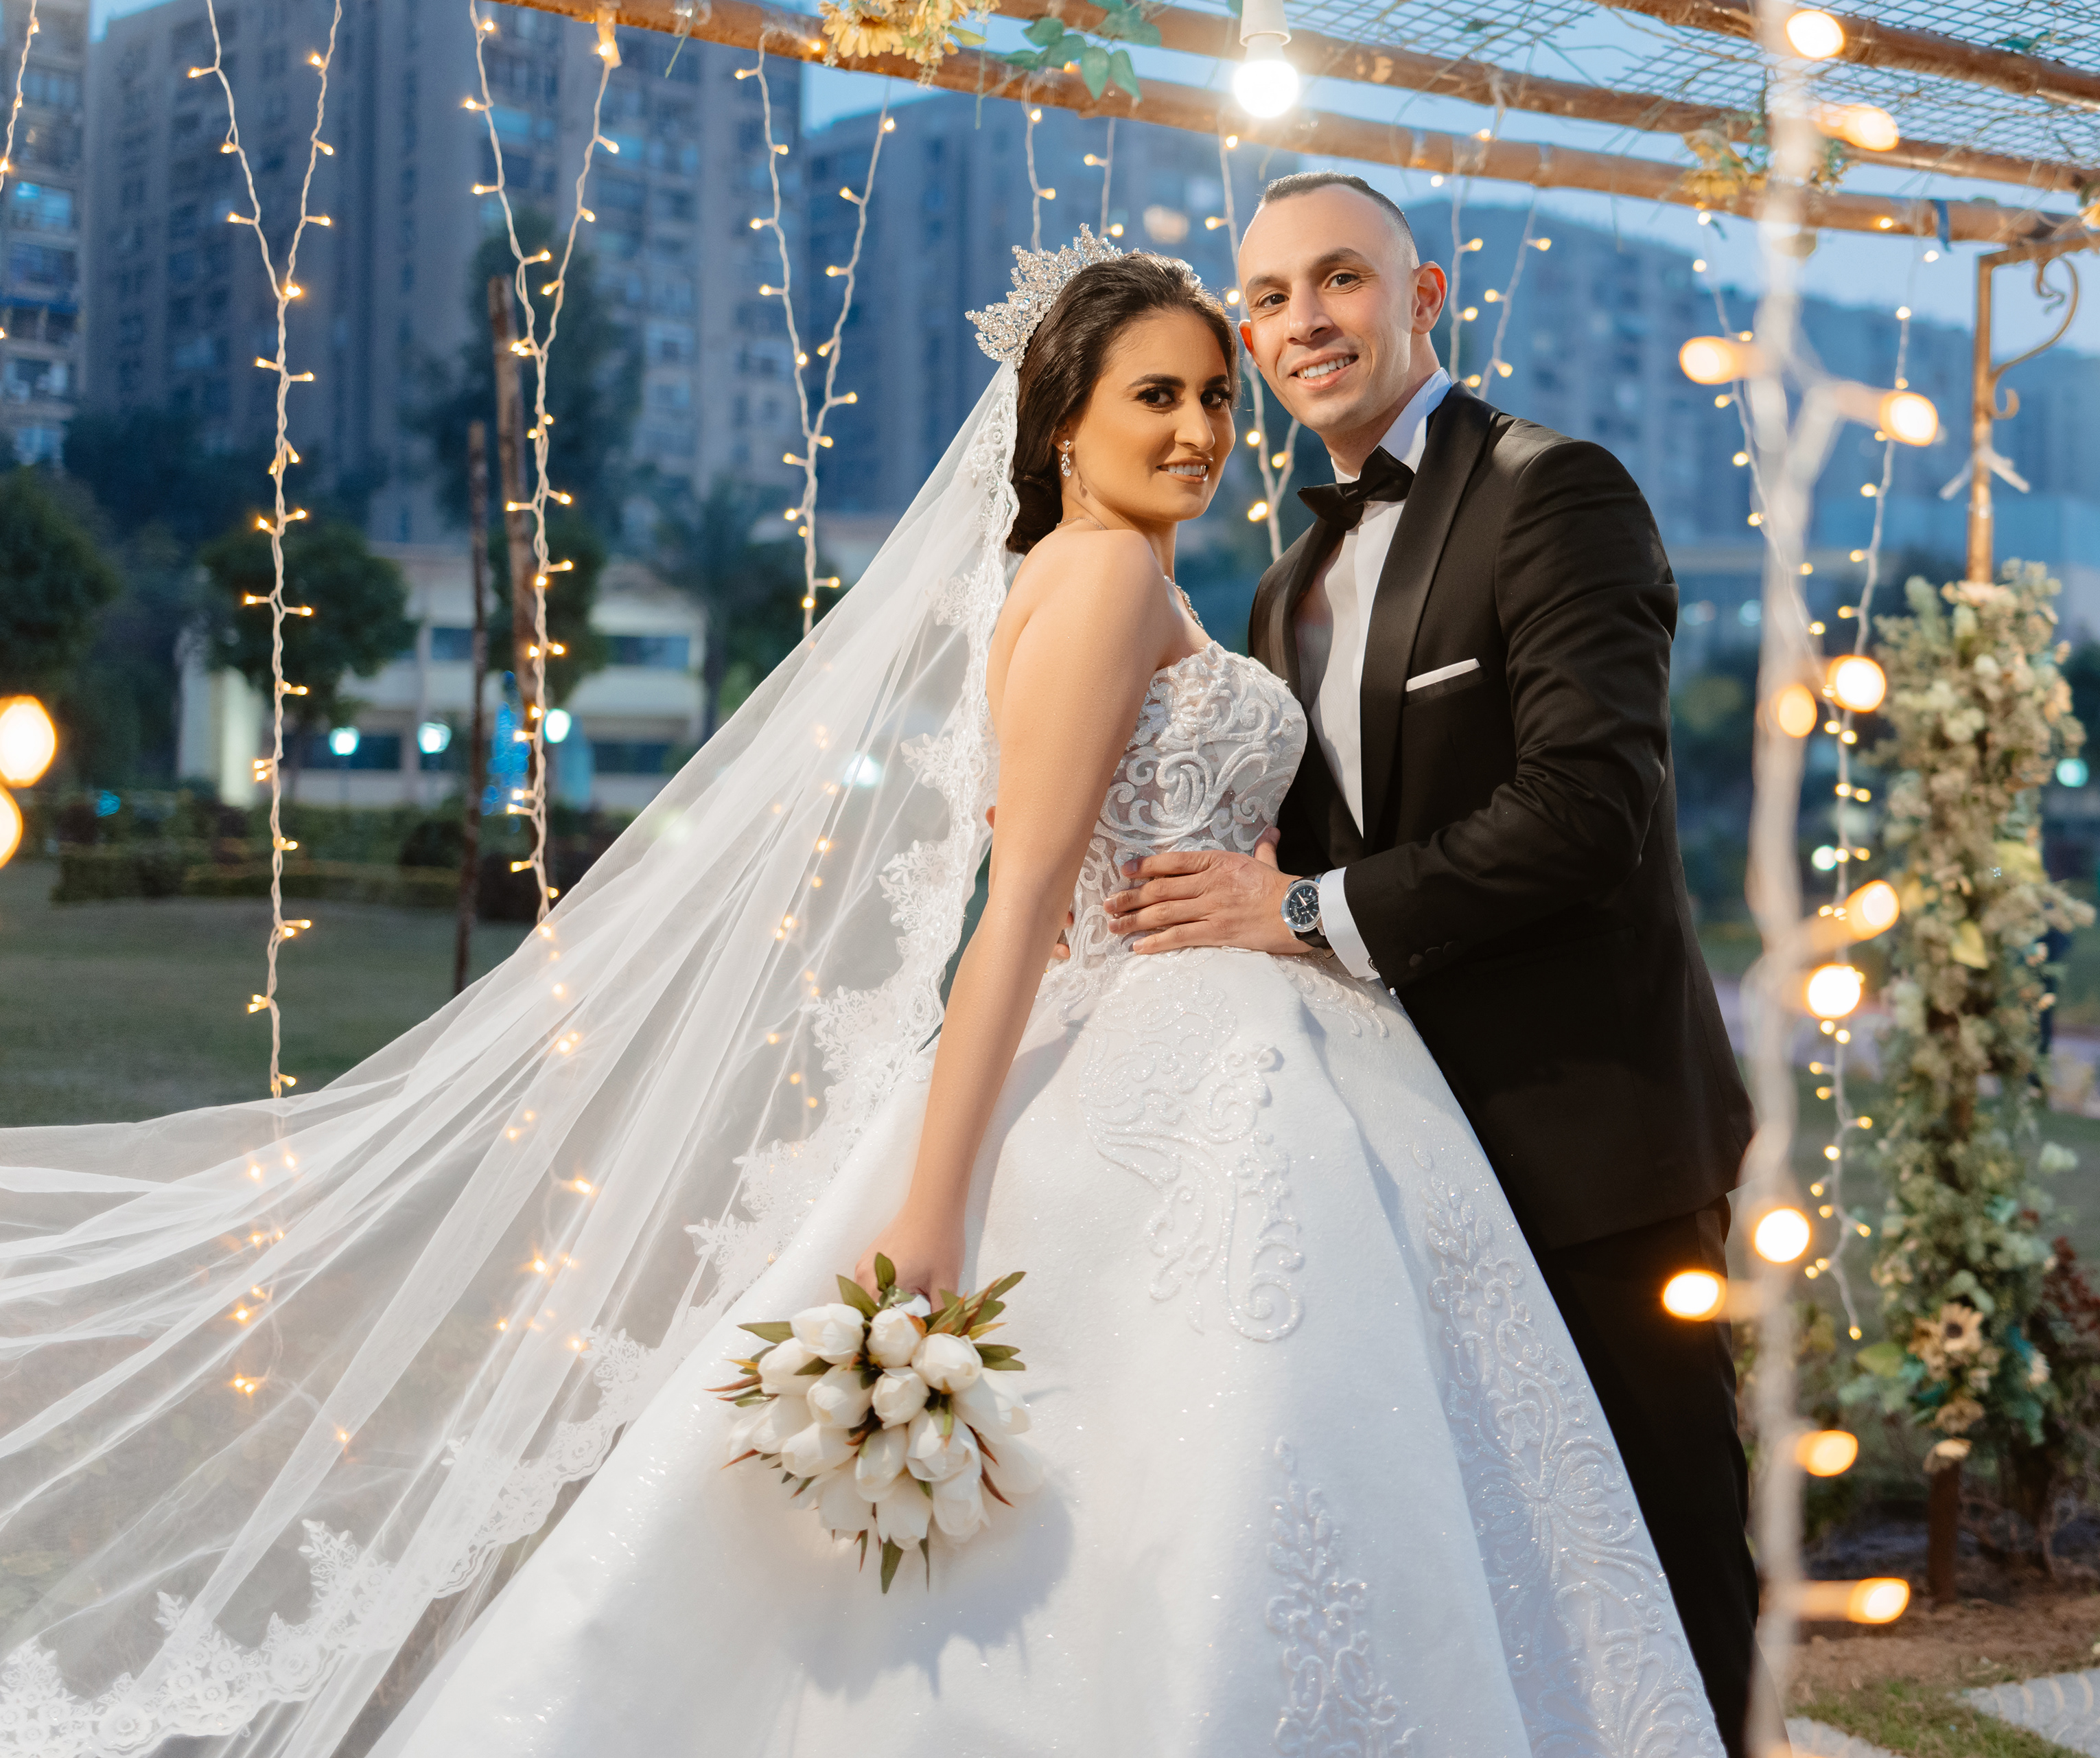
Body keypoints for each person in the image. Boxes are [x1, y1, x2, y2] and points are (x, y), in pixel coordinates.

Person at [0, 237, 1723, 1758]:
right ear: (1065, 425)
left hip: (1231, 1037)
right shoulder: (1109, 578)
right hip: (1178, 1061)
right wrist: (933, 1213)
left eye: (1215, 395)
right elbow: (1020, 903)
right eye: (1158, 395)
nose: (1204, 430)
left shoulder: (1143, 577)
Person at [1099, 172, 1761, 1750]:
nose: (1302, 322)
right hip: (1398, 1158)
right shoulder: (1284, 588)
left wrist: (1298, 914)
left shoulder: (1557, 491)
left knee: (1666, 1559)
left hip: (1593, 1145)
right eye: (1268, 299)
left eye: (1338, 279)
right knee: (1502, 1578)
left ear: (1424, 295)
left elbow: (1587, 810)